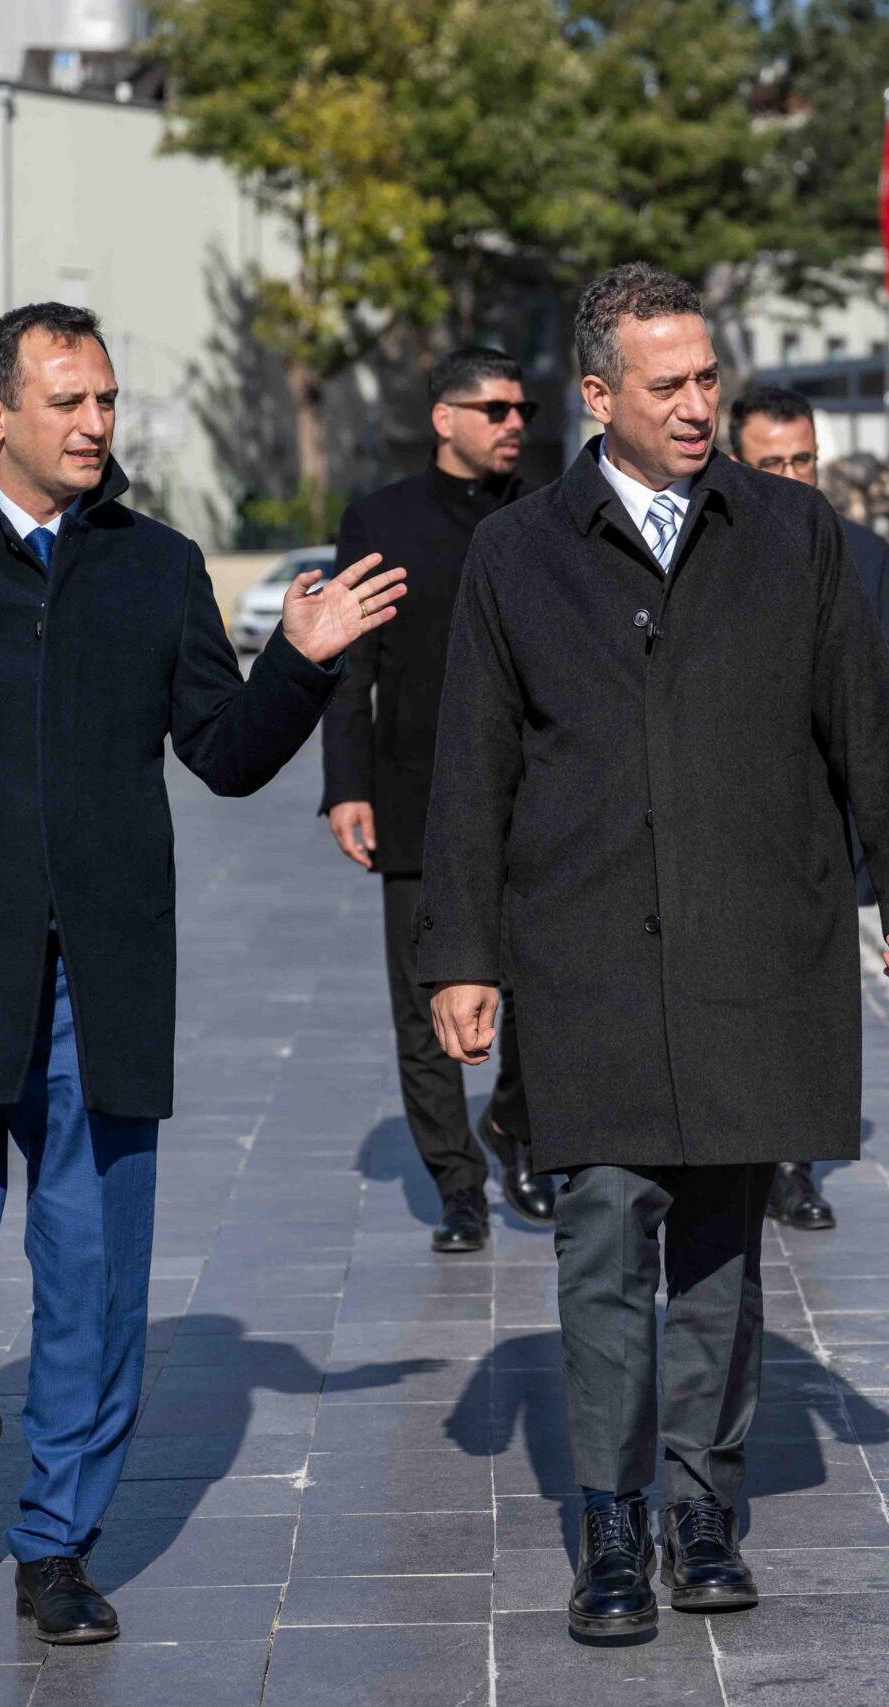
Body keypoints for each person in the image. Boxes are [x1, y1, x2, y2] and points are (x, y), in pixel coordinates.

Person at [0, 303, 404, 1646]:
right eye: (67, 401)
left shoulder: (154, 564)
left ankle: (57, 1540)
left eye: (107, 399)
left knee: (95, 1277)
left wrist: (300, 659)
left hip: (99, 978)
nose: (96, 423)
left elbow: (224, 753)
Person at [420, 263, 889, 1639]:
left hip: (751, 940)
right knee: (602, 1222)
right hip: (585, 947)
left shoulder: (797, 537)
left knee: (721, 1238)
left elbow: (867, 729)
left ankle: (702, 1503)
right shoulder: (520, 555)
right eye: (668, 385)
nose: (699, 405)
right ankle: (611, 1523)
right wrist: (460, 955)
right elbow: (471, 769)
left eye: (709, 377)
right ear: (597, 395)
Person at [321, 347, 554, 1251]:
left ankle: (516, 1131)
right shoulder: (377, 521)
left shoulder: (545, 516)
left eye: (523, 411)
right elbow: (352, 671)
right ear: (443, 418)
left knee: (541, 991)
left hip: (537, 803)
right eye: (494, 409)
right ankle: (458, 1185)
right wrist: (347, 786)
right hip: (416, 804)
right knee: (427, 1011)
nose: (513, 426)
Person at [726, 383, 889, 1234]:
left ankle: (794, 1162)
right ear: (736, 463)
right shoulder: (711, 554)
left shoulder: (863, 553)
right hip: (728, 821)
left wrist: (860, 761)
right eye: (771, 463)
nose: (792, 476)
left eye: (802, 459)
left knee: (808, 997)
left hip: (823, 824)